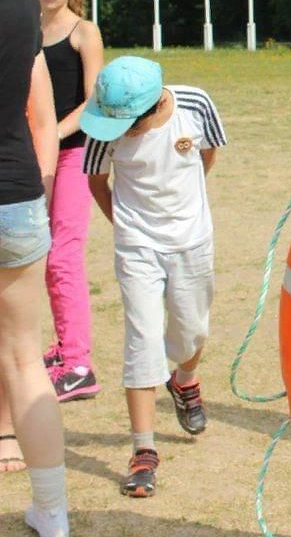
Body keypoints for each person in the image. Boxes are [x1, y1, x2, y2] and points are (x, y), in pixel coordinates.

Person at [81, 56, 227, 498]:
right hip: (137, 248)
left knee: (192, 331)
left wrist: (182, 209)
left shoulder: (195, 105)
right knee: (142, 340)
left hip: (191, 242)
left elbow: (208, 155)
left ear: (154, 106)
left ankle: (184, 380)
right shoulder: (102, 122)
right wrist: (127, 226)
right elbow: (96, 180)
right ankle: (143, 452)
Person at [0, 0, 70, 536]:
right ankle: (53, 515)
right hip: (17, 198)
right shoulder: (24, 6)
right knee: (25, 361)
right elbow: (38, 108)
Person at [31, 0, 104, 401]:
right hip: (34, 152)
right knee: (37, 253)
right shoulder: (24, 28)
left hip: (74, 152)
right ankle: (64, 347)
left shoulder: (84, 32)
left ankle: (79, 365)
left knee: (63, 256)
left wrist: (54, 133)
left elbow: (95, 99)